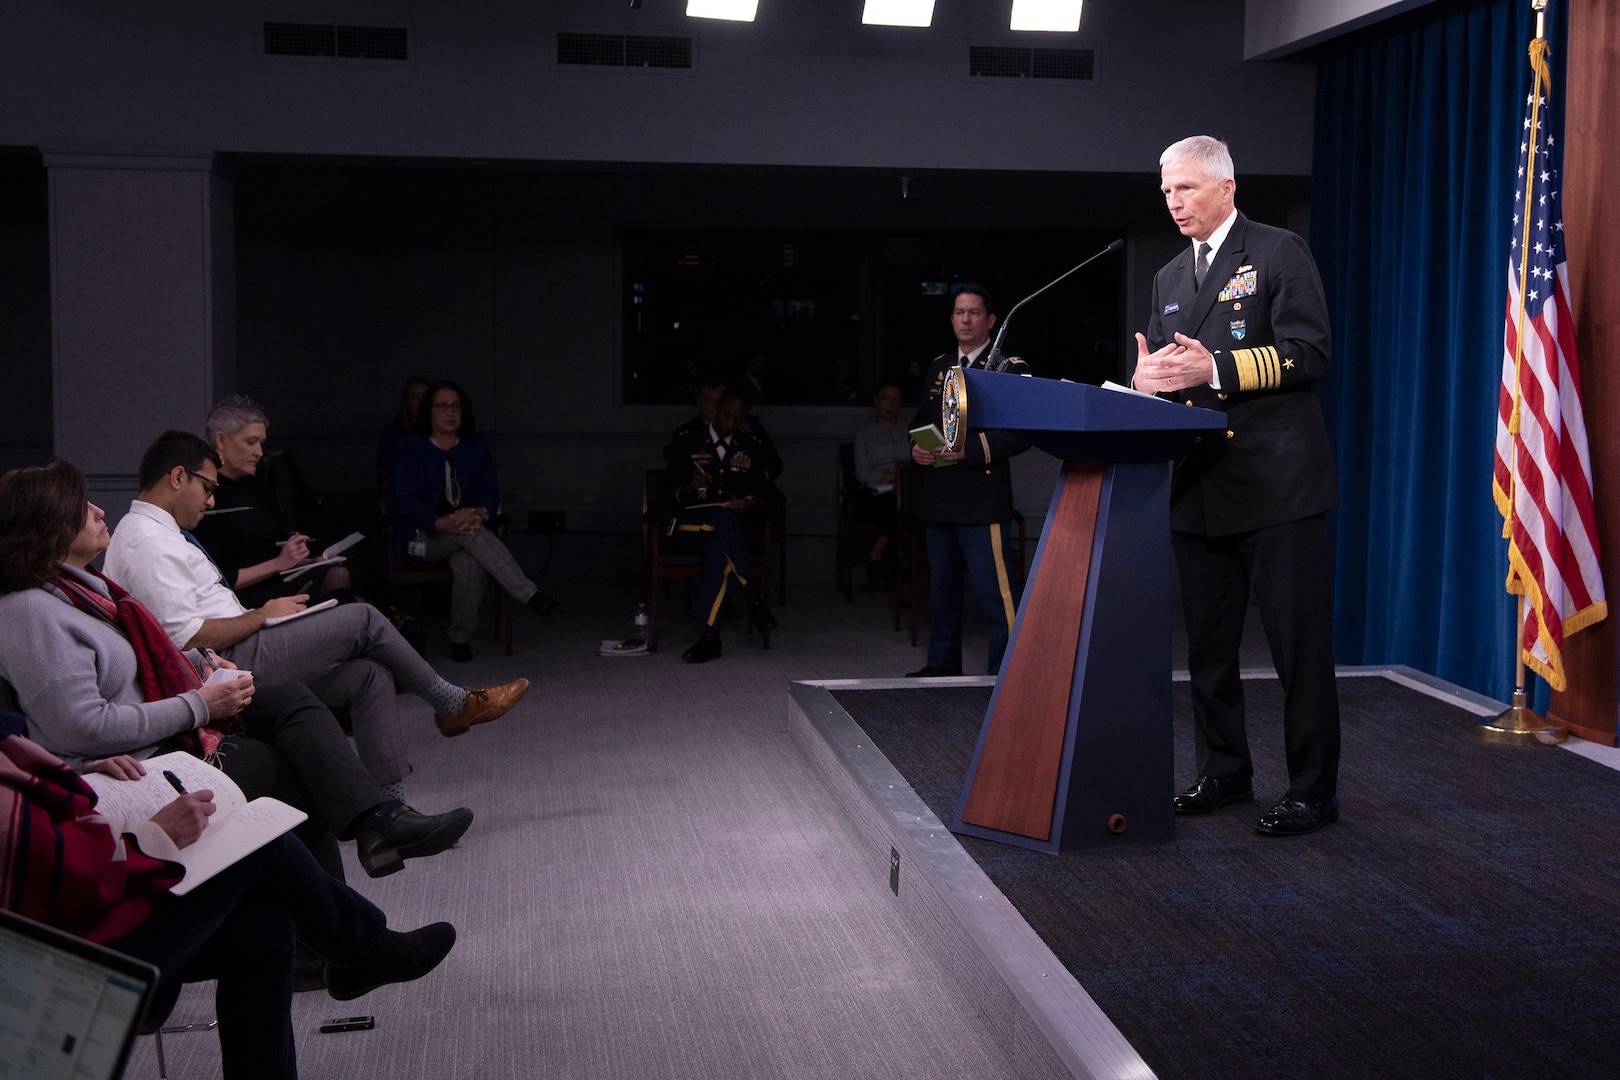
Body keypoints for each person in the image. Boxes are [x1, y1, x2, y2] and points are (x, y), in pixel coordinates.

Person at [0, 460, 475, 879]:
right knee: (347, 656)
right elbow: (83, 727)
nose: (99, 510)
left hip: (175, 709)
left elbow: (145, 661)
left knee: (305, 695)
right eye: (82, 507)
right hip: (143, 756)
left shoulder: (82, 591)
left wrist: (200, 664)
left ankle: (379, 821)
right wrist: (199, 704)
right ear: (50, 527)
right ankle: (343, 909)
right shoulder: (33, 610)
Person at [0, 719, 456, 1080]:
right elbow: (51, 869)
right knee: (265, 842)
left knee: (265, 927)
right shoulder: (34, 615)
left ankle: (359, 945)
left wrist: (82, 779)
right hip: (46, 967)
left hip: (67, 919)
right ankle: (362, 949)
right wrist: (156, 836)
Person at [102, 432, 528, 794]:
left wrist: (266, 616)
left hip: (242, 650)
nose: (211, 502)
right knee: (363, 619)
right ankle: (452, 704)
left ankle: (388, 804)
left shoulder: (159, 533)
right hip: (223, 670)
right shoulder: (146, 541)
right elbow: (187, 638)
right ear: (178, 477)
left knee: (368, 675)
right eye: (209, 489)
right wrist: (264, 615)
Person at [1131, 135, 1341, 837]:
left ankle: (1313, 791)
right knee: (1209, 651)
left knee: (1296, 649)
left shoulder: (1278, 251)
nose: (1174, 202)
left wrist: (1213, 369)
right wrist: (1146, 383)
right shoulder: (1166, 278)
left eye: (1185, 189)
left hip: (1277, 485)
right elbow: (1171, 370)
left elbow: (1311, 353)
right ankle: (1225, 772)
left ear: (1225, 186)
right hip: (1200, 486)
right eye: (1166, 192)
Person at [905, 285, 1030, 678]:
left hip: (981, 498)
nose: (965, 319)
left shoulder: (1009, 368)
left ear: (990, 321)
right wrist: (917, 448)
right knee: (941, 593)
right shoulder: (939, 365)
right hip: (939, 496)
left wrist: (970, 450)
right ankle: (942, 667)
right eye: (959, 312)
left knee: (998, 597)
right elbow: (919, 423)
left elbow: (1021, 433)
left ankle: (1006, 674)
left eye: (974, 313)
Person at [394, 380, 558, 661]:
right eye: (442, 406)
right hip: (422, 535)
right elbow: (406, 500)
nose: (450, 412)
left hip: (464, 533)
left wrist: (481, 513)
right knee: (469, 533)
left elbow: (489, 491)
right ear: (429, 412)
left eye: (456, 406)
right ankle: (528, 594)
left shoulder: (475, 446)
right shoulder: (411, 446)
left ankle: (459, 637)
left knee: (470, 563)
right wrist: (442, 522)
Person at [191, 394, 353, 610]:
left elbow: (272, 552)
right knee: (345, 591)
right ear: (221, 440)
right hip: (240, 597)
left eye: (261, 443)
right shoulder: (205, 493)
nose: (259, 452)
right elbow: (219, 576)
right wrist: (279, 563)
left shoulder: (256, 484)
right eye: (251, 442)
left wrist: (308, 561)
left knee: (343, 583)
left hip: (277, 579)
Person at [665, 389, 776, 663]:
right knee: (720, 521)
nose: (731, 423)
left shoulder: (750, 445)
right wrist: (689, 486)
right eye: (727, 415)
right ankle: (752, 595)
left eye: (738, 419)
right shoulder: (687, 441)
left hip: (726, 533)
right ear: (715, 411)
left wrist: (750, 502)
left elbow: (764, 495)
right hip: (688, 527)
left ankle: (710, 637)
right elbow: (667, 496)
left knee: (718, 545)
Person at [852, 380, 909, 591]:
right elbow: (862, 472)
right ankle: (903, 582)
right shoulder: (864, 433)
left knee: (903, 507)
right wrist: (890, 476)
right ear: (876, 401)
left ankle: (878, 551)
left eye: (895, 400)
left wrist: (901, 479)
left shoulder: (909, 431)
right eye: (885, 399)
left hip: (904, 491)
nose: (890, 405)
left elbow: (919, 463)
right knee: (893, 507)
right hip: (874, 492)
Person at [378, 374, 430, 494]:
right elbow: (387, 471)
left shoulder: (442, 431)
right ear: (406, 401)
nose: (420, 402)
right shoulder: (393, 433)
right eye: (414, 397)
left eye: (425, 397)